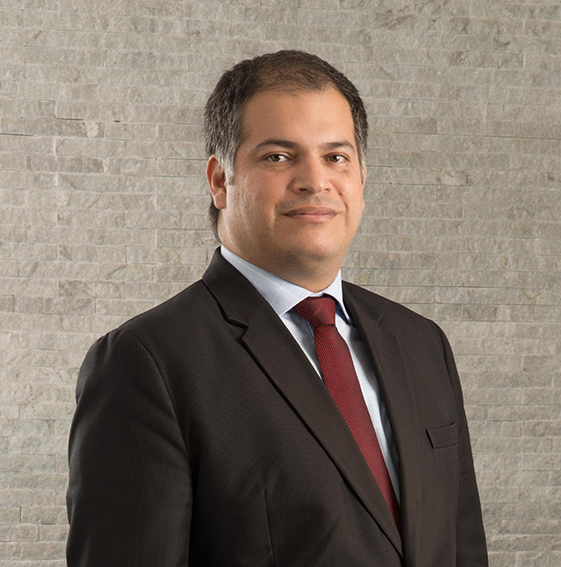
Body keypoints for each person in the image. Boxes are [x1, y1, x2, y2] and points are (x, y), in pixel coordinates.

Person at [66, 50, 488, 566]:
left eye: (336, 157)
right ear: (220, 180)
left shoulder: (422, 344)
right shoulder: (147, 362)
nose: (315, 181)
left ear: (361, 179)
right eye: (278, 157)